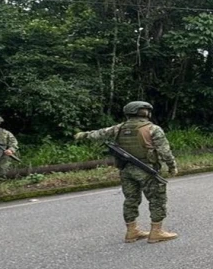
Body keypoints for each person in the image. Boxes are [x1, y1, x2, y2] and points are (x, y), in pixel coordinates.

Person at [74, 101, 178, 243]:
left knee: (131, 200)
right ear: (144, 112)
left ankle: (131, 231)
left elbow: (98, 134)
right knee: (157, 200)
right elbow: (164, 151)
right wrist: (172, 167)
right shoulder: (152, 129)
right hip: (146, 170)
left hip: (126, 170)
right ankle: (156, 232)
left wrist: (82, 135)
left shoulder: (119, 128)